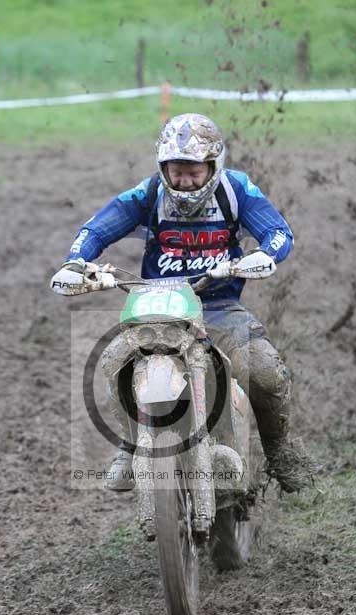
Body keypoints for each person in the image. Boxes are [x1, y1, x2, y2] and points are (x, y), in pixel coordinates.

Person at [62, 113, 313, 493]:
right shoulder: (149, 195)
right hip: (157, 307)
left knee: (261, 369)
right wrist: (77, 261)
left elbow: (278, 231)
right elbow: (97, 227)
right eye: (177, 171)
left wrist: (265, 255)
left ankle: (278, 452)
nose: (185, 181)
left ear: (213, 165)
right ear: (163, 167)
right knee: (115, 363)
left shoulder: (236, 191)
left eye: (194, 172)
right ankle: (129, 449)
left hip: (219, 308)